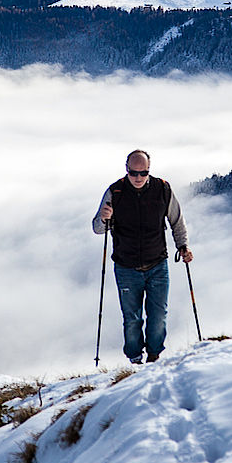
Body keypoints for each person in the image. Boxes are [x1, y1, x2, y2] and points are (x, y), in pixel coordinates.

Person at [92, 149, 193, 364]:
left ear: (149, 171)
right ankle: (135, 359)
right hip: (126, 266)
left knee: (158, 317)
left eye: (143, 173)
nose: (138, 178)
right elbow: (98, 229)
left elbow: (176, 220)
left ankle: (154, 357)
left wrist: (183, 246)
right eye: (133, 173)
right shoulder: (115, 192)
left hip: (158, 263)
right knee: (132, 319)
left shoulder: (162, 189)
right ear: (126, 170)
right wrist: (104, 218)